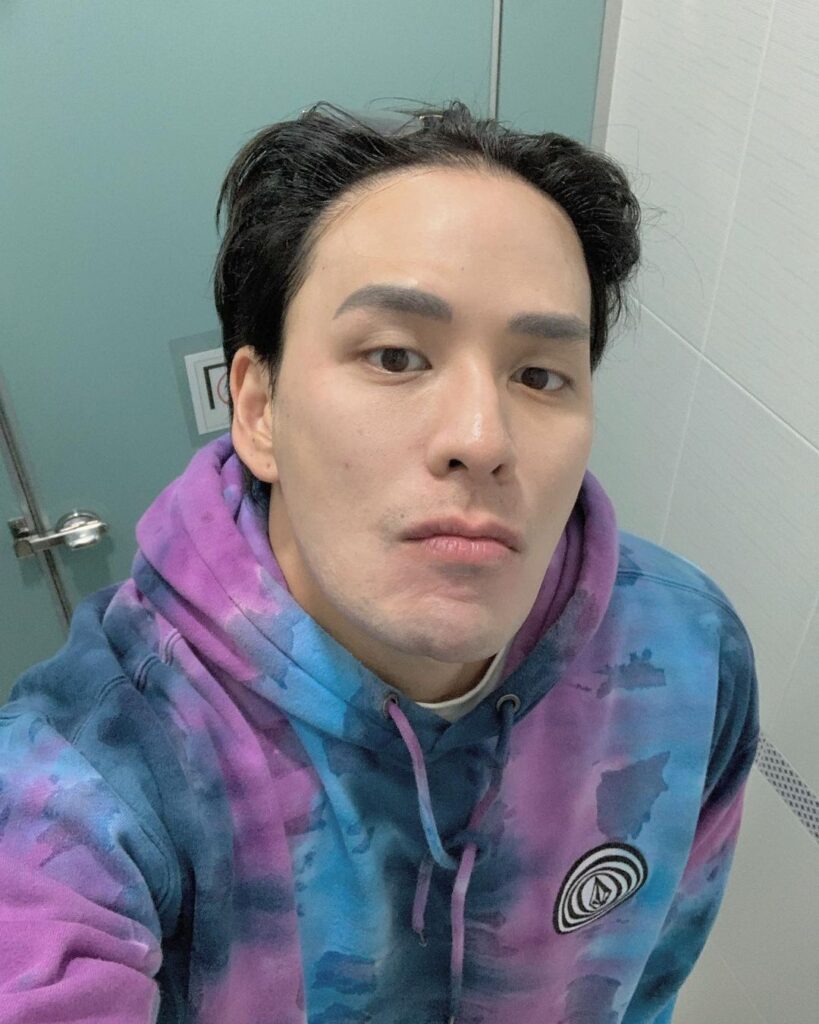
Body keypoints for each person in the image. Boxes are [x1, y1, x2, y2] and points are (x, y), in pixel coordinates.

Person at [0, 100, 759, 1024]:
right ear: (258, 410)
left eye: (538, 375)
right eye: (395, 356)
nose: (481, 439)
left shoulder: (687, 660)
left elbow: (649, 986)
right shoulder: (98, 768)